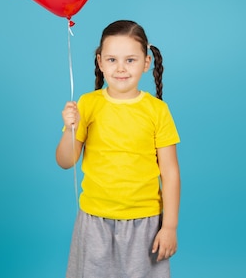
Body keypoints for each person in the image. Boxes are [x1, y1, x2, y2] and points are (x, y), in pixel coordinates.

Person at [56, 20, 181, 278]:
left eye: (130, 60)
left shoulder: (157, 111)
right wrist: (70, 128)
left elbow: (170, 173)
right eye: (112, 60)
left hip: (144, 223)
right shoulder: (88, 104)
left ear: (146, 63)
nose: (121, 68)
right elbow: (66, 161)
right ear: (100, 62)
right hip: (95, 222)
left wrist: (169, 227)